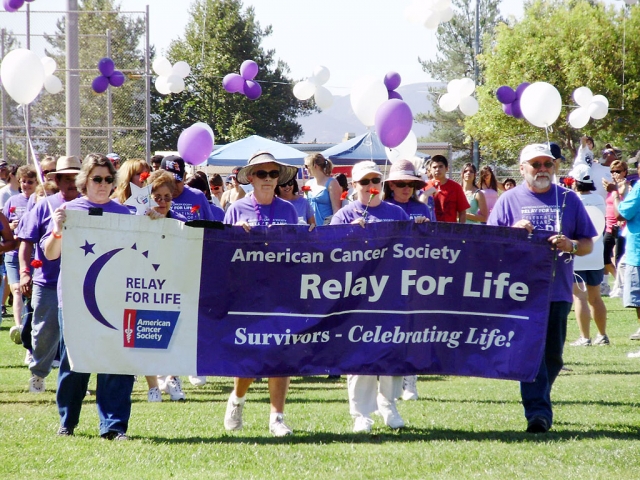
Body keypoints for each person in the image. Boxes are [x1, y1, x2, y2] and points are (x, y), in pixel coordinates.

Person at [488, 143, 595, 434]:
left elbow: (587, 243)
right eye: (535, 165)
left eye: (548, 164)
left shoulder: (569, 200)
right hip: (520, 293)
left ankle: (540, 395)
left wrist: (570, 244)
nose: (543, 170)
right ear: (522, 169)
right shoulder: (508, 200)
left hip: (557, 290)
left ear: (556, 167)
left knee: (553, 358)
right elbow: (489, 245)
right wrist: (511, 235)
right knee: (531, 354)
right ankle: (538, 414)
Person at [43, 153, 135, 440]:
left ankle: (114, 426)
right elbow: (49, 254)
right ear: (85, 181)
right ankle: (67, 422)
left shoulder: (124, 214)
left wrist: (156, 218)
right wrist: (57, 231)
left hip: (115, 299)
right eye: (97, 179)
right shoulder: (68, 211)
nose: (103, 184)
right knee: (75, 363)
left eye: (109, 179)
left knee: (117, 363)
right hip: (73, 299)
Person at [331, 161, 425, 433]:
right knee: (359, 355)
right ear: (354, 186)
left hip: (392, 294)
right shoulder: (344, 215)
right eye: (364, 182)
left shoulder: (396, 213)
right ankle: (361, 413)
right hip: (357, 298)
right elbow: (329, 256)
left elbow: (413, 253)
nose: (370, 186)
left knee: (391, 351)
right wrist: (348, 234)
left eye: (375, 180)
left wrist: (420, 230)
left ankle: (388, 403)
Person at [223, 151, 302, 437]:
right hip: (246, 293)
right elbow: (222, 251)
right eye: (262, 174)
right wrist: (234, 234)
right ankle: (237, 399)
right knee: (250, 355)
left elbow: (298, 250)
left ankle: (277, 417)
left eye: (273, 174)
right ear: (251, 178)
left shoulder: (288, 210)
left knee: (281, 353)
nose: (268, 179)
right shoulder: (236, 208)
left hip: (281, 292)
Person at [17, 156, 81, 393]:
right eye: (66, 179)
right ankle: (38, 373)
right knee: (44, 332)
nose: (71, 183)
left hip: (81, 282)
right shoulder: (44, 205)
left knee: (77, 334)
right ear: (57, 180)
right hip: (49, 281)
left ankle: (73, 379)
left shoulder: (90, 206)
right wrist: (25, 273)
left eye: (76, 178)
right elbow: (25, 242)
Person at [382, 158, 432, 400]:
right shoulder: (383, 207)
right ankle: (389, 378)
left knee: (414, 327)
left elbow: (434, 243)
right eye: (400, 183)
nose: (405, 188)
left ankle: (410, 380)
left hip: (416, 274)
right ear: (391, 185)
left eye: (410, 184)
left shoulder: (423, 208)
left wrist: (425, 229)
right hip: (386, 276)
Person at [565, 165, 609, 347]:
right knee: (596, 297)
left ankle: (585, 337)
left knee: (580, 297)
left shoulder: (573, 201)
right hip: (596, 254)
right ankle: (602, 335)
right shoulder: (599, 199)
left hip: (579, 254)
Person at [4, 165, 37, 345]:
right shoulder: (13, 201)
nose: (25, 185)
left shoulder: (39, 200)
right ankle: (18, 327)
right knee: (16, 289)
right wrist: (11, 227)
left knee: (29, 293)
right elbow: (5, 225)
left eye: (30, 182)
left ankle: (28, 325)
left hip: (31, 255)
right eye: (23, 181)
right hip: (13, 254)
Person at [160, 156, 223, 221]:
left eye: (177, 181)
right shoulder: (155, 198)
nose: (173, 186)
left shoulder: (198, 196)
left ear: (184, 176)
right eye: (169, 181)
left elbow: (210, 226)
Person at [602, 160, 630, 300]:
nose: (615, 174)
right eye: (612, 171)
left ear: (625, 172)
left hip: (621, 227)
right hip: (609, 226)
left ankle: (622, 286)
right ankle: (619, 283)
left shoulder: (626, 186)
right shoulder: (610, 187)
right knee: (604, 256)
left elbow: (623, 201)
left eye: (618, 171)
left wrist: (617, 189)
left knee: (619, 257)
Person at [425, 155, 469, 223]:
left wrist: (460, 230)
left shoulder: (456, 187)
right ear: (430, 170)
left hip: (450, 230)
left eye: (440, 166)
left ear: (447, 168)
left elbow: (462, 212)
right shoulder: (424, 187)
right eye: (434, 167)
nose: (437, 169)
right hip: (429, 230)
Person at [304, 153, 341, 225]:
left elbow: (336, 210)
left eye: (306, 166)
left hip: (326, 229)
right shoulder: (308, 184)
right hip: (310, 229)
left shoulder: (332, 183)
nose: (305, 169)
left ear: (315, 166)